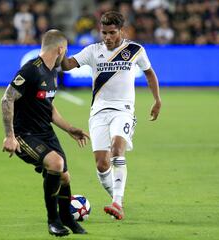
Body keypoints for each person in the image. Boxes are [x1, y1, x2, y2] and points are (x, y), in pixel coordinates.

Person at [61, 11, 161, 220]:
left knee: (117, 150)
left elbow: (149, 73)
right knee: (102, 164)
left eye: (112, 33)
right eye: (104, 32)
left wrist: (157, 100)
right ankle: (118, 200)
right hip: (98, 112)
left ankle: (116, 202)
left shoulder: (135, 50)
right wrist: (59, 51)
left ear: (121, 31)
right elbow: (68, 65)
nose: (107, 37)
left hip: (123, 110)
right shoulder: (92, 50)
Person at [1, 29, 89, 237]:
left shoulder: (52, 72)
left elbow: (48, 107)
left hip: (46, 132)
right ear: (60, 49)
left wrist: (69, 128)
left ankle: (67, 218)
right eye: (65, 51)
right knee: (55, 164)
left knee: (65, 177)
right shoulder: (31, 69)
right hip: (25, 134)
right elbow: (7, 98)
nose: (65, 56)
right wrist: (10, 136)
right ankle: (53, 221)